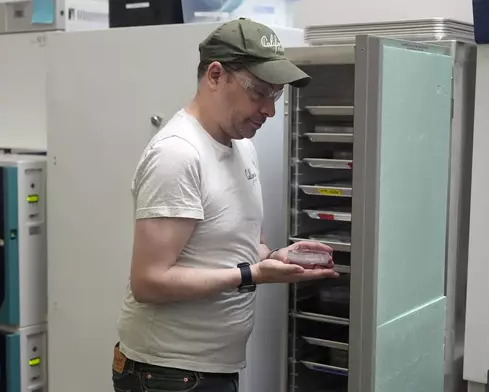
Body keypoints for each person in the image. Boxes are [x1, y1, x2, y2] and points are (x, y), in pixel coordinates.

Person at [112, 18, 339, 392]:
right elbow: (149, 282)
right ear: (215, 75)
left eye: (276, 96)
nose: (270, 110)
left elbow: (242, 245)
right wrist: (252, 274)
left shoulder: (242, 148)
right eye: (259, 93)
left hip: (209, 368)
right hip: (167, 373)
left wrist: (278, 256)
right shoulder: (178, 154)